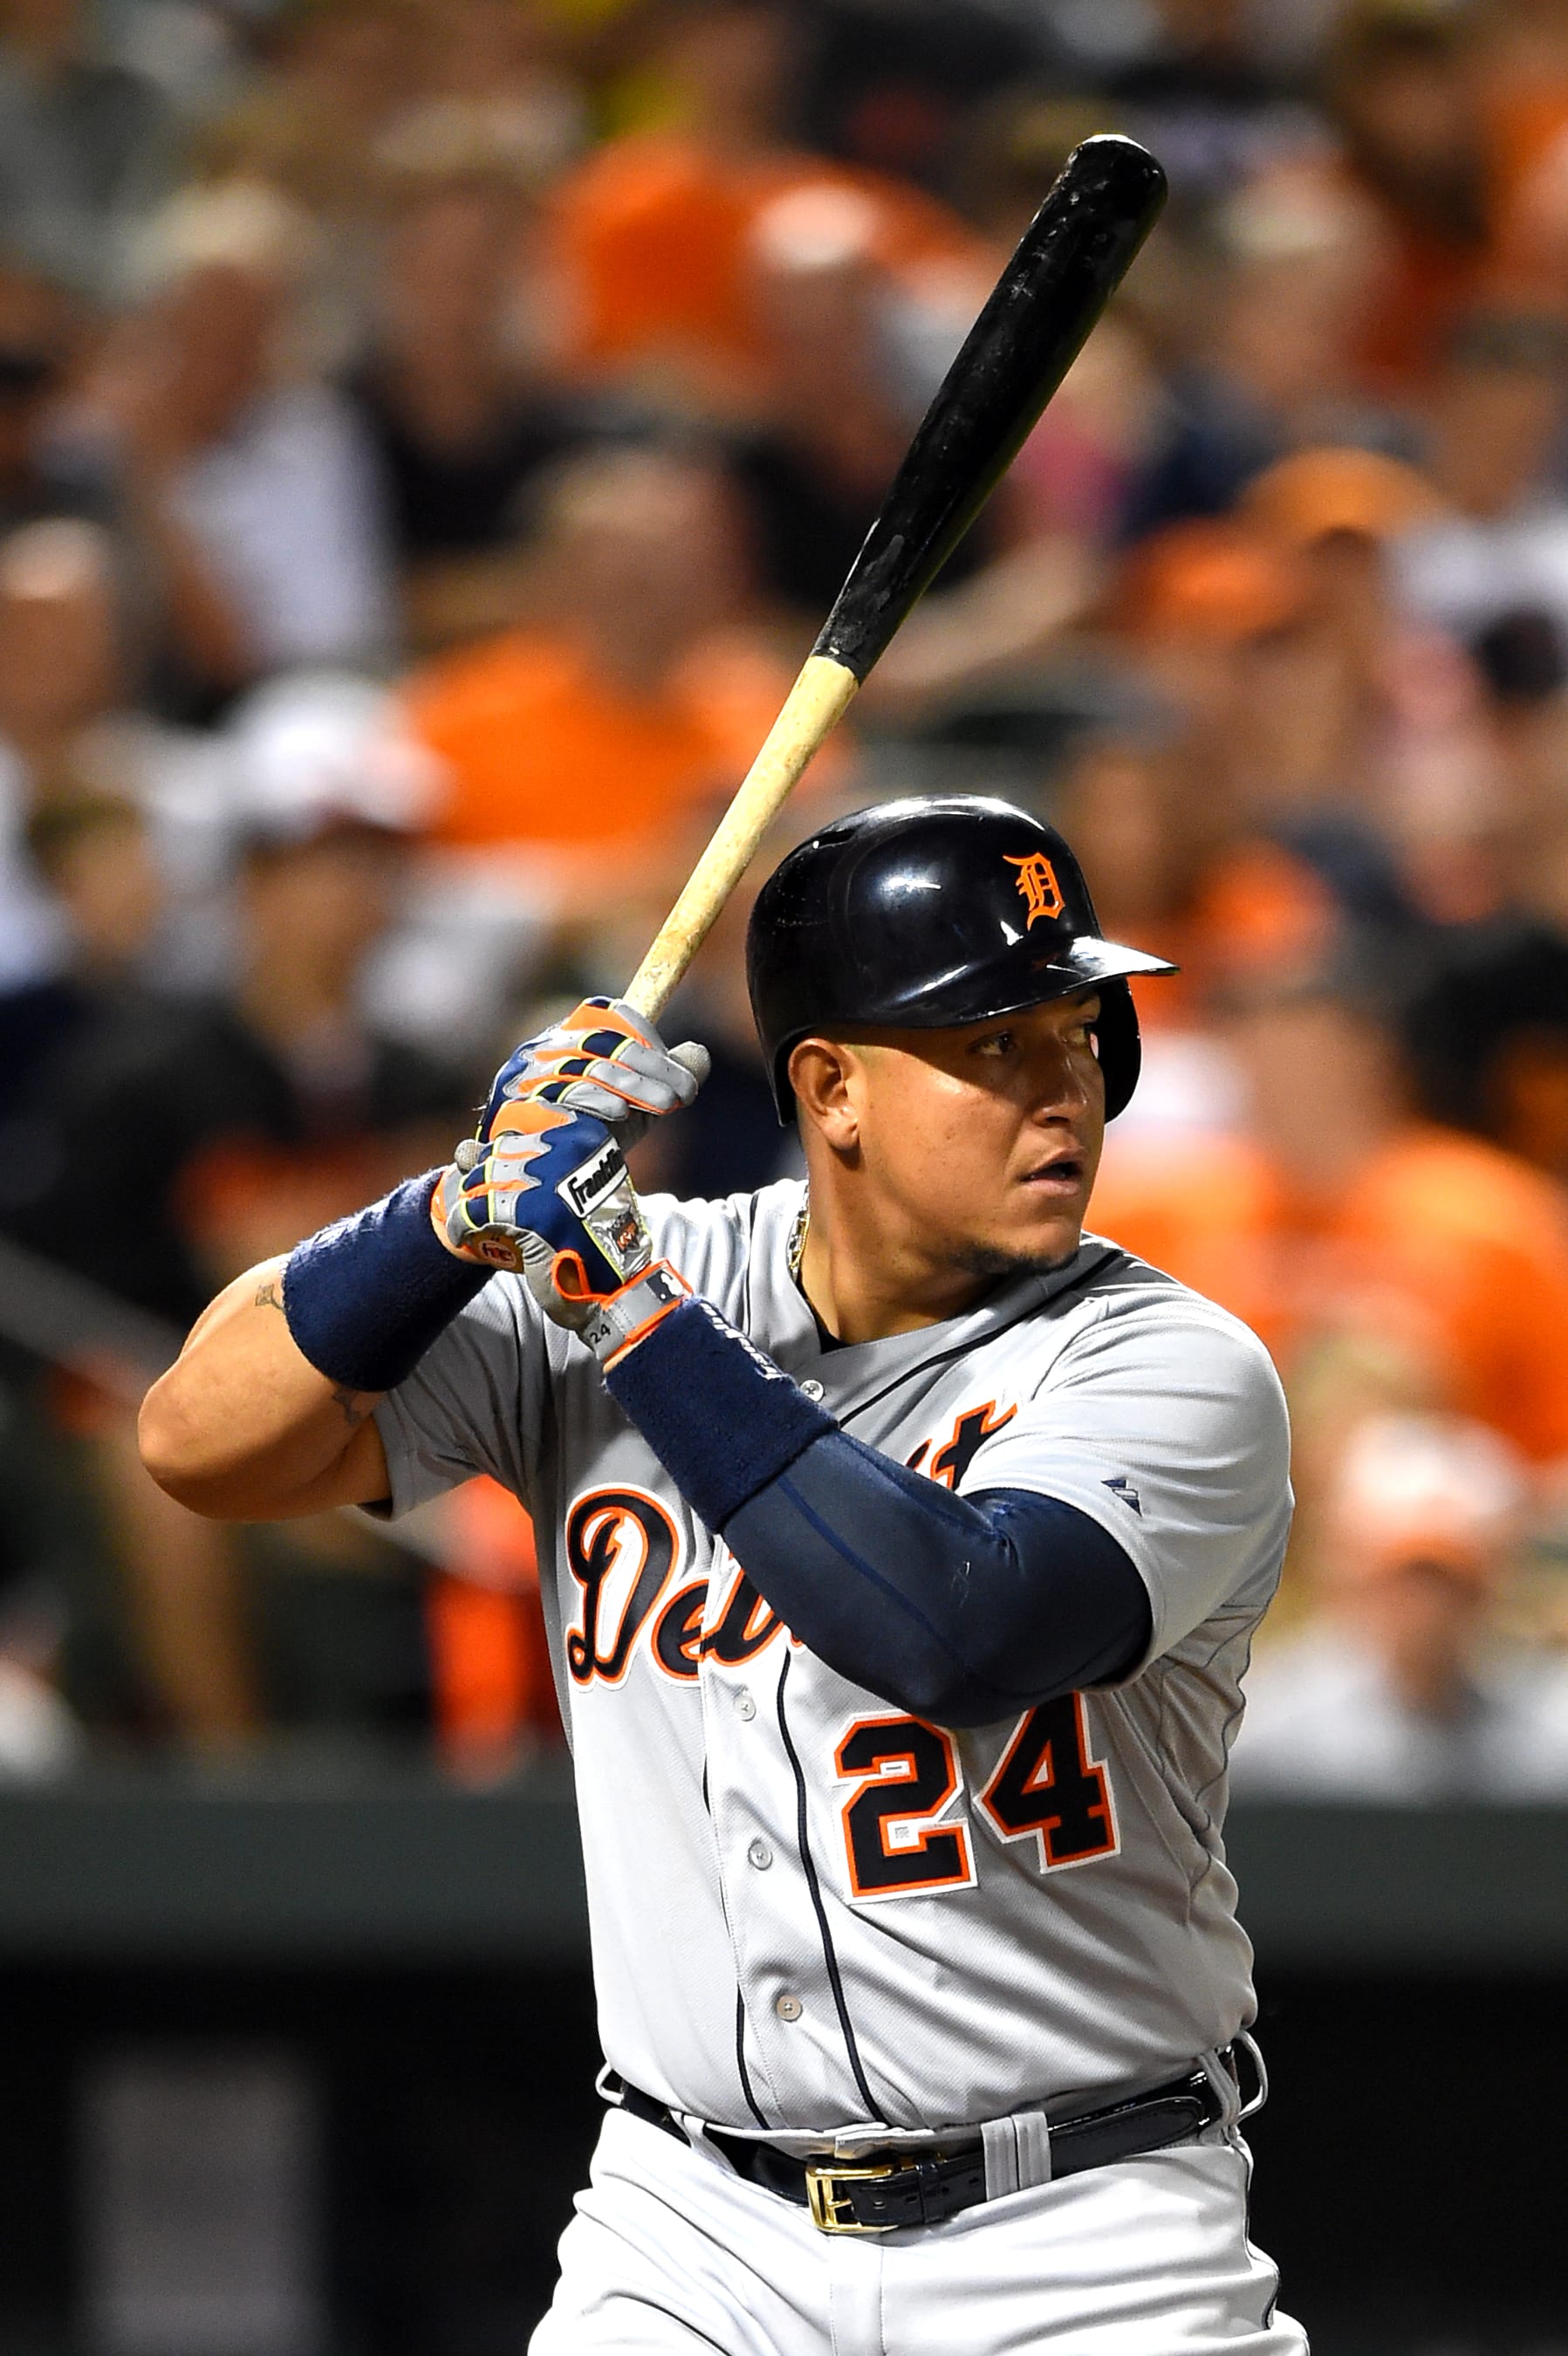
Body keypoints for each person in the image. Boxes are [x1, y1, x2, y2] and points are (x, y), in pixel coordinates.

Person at [142, 791, 1306, 2352]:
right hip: (689, 2229)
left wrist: (630, 1315)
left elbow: (959, 1628)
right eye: (992, 1049)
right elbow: (203, 1443)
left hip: (1081, 2231)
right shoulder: (651, 1274)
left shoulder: (1162, 1363)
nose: (1065, 1095)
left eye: (1079, 1035)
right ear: (827, 1087)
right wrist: (450, 1209)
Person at [1233, 1412, 1568, 1800]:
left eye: (1447, 1583)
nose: (1427, 1609)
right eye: (1406, 1580)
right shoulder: (1277, 1733)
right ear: (1358, 1580)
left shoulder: (1547, 1735)